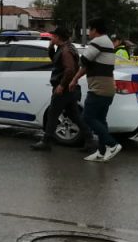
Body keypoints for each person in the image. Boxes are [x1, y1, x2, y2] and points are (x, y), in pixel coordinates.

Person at [70, 18, 122, 162]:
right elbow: (87, 67)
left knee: (87, 117)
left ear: (94, 30)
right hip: (107, 87)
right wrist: (75, 79)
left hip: (99, 88)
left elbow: (83, 61)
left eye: (89, 29)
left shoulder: (98, 42)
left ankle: (112, 144)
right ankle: (101, 151)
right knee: (100, 119)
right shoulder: (108, 43)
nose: (88, 33)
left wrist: (75, 77)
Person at [31, 26, 88, 152]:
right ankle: (89, 139)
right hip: (69, 89)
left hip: (64, 89)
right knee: (75, 115)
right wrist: (51, 46)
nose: (51, 38)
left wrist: (61, 85)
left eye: (53, 36)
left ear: (58, 37)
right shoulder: (64, 48)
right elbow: (55, 61)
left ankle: (46, 142)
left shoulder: (66, 50)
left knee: (53, 114)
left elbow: (69, 70)